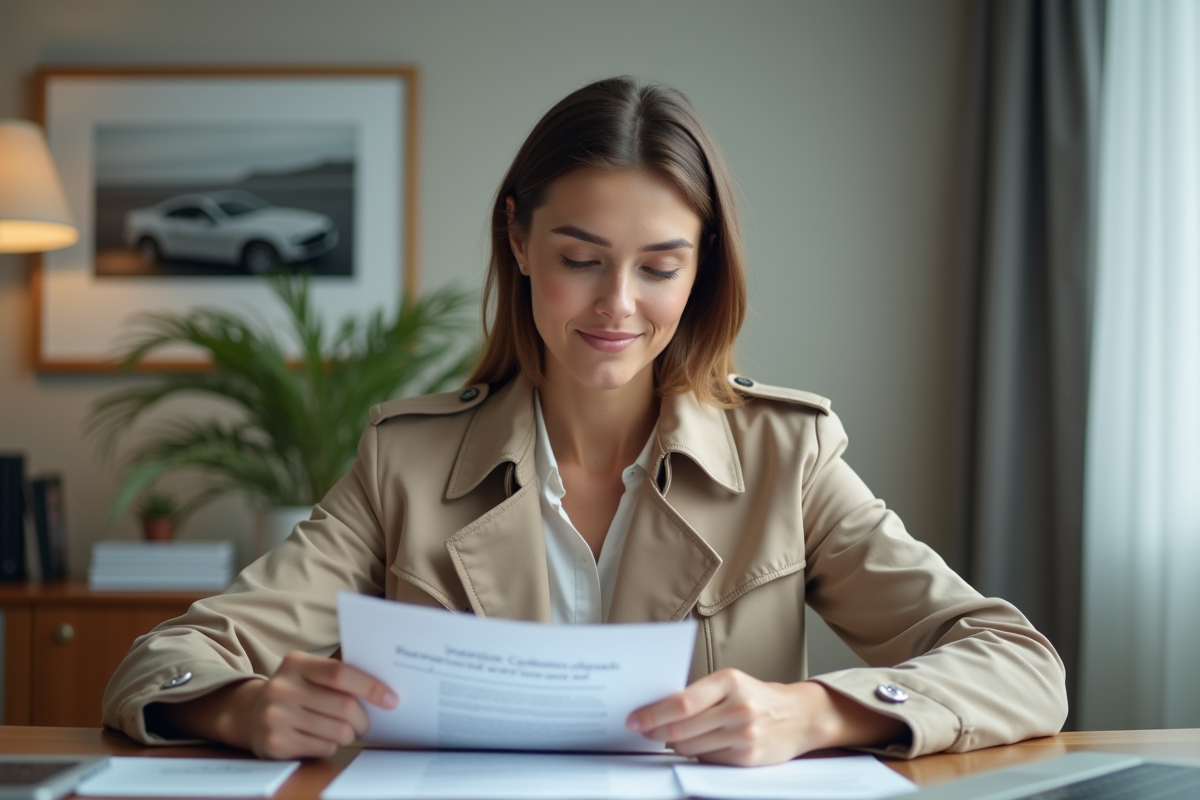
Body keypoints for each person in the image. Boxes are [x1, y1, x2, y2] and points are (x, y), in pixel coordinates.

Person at [103, 77, 1067, 765]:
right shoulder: (406, 463)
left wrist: (817, 712)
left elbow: (1020, 665)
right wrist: (240, 712)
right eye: (581, 257)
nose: (617, 304)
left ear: (701, 272)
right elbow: (168, 661)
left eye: (659, 266)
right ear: (518, 239)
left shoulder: (788, 455)